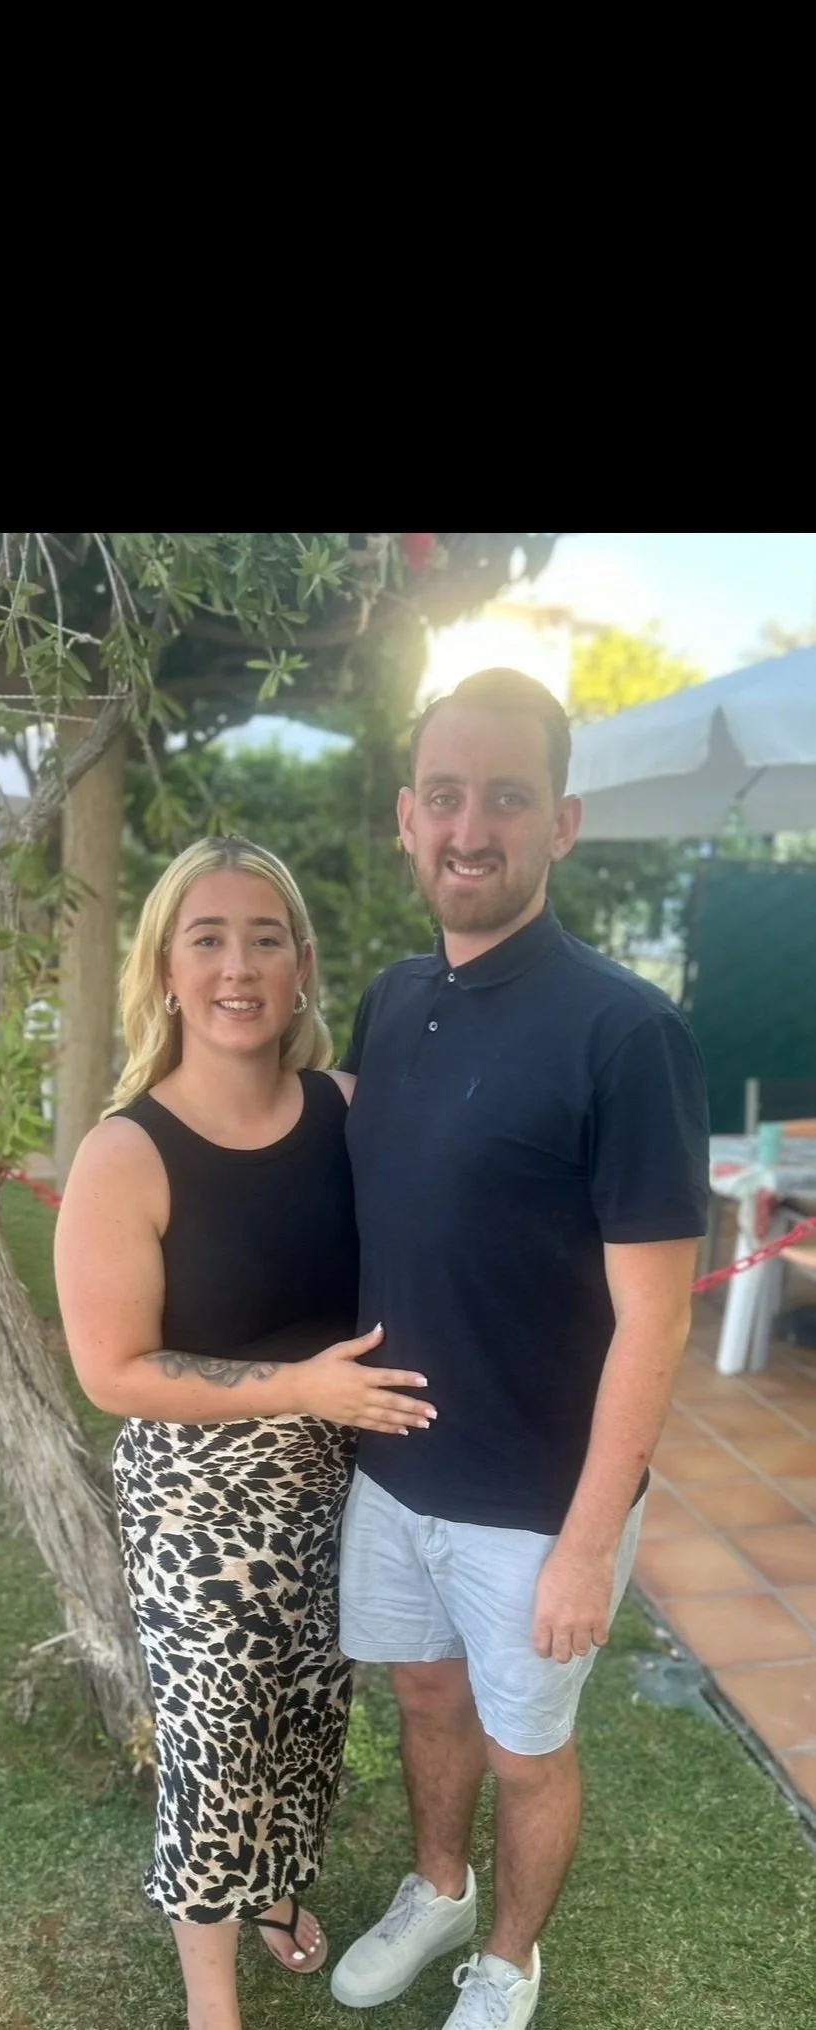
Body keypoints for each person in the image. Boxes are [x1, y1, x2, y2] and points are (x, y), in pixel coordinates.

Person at [330, 670, 709, 2030]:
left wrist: (590, 1537)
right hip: (395, 1469)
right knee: (425, 1701)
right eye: (444, 795)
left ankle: (508, 1951)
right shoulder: (389, 997)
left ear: (562, 820)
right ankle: (434, 1887)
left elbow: (656, 1313)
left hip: (534, 1503)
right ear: (404, 817)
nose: (468, 824)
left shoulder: (626, 1032)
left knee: (524, 1748)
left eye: (504, 795)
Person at [54, 834, 436, 2030]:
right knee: (218, 1738)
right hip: (198, 1501)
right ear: (165, 967)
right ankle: (209, 2002)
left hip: (340, 1475)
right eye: (207, 937)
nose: (237, 964)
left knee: (312, 1713)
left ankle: (274, 1890)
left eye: (263, 937)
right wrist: (296, 1388)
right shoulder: (127, 1151)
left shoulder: (349, 1109)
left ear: (302, 964)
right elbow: (112, 1370)